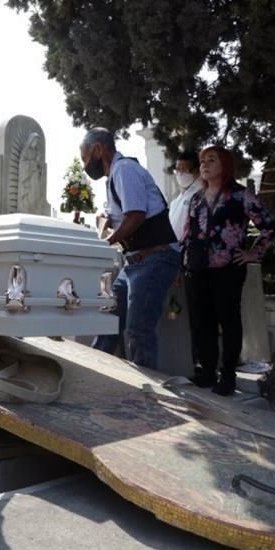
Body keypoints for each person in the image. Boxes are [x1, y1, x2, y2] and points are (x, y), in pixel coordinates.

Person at [81, 127, 181, 369]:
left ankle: (145, 393)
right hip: (134, 263)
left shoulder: (124, 170)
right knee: (109, 320)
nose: (85, 166)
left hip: (154, 258)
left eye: (85, 158)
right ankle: (96, 372)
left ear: (98, 150)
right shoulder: (115, 175)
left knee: (138, 330)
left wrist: (106, 243)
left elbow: (136, 215)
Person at [181, 147, 275, 395]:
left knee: (229, 321)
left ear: (225, 164)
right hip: (197, 268)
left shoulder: (240, 196)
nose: (205, 165)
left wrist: (253, 253)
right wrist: (182, 265)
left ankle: (228, 376)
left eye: (211, 160)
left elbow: (268, 226)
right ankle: (207, 371)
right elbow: (187, 234)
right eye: (202, 161)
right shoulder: (197, 199)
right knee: (203, 323)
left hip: (227, 269)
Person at [168, 150, 202, 242]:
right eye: (178, 170)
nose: (180, 174)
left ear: (197, 170)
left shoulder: (201, 193)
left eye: (185, 170)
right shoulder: (178, 198)